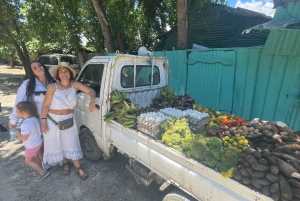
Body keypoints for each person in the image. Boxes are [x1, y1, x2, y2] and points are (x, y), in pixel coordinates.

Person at [41, 62, 96, 180]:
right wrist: (43, 121)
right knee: (58, 142)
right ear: (58, 74)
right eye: (60, 72)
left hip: (68, 119)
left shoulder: (75, 85)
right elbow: (45, 106)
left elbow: (91, 91)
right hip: (52, 119)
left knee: (71, 142)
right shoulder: (52, 87)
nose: (63, 74)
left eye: (65, 71)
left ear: (70, 73)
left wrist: (92, 100)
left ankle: (77, 167)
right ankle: (65, 163)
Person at [8, 61, 57, 170]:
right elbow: (18, 102)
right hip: (37, 117)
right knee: (40, 140)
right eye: (34, 68)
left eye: (40, 65)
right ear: (32, 72)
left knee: (53, 138)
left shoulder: (54, 81)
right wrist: (13, 119)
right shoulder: (27, 84)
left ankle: (56, 157)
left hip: (54, 116)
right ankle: (44, 160)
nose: (38, 68)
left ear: (43, 66)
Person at [13, 101, 50, 182]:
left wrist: (17, 133)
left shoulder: (25, 124)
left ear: (23, 112)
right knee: (35, 157)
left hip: (31, 146)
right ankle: (40, 169)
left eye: (17, 111)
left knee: (28, 161)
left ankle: (42, 172)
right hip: (38, 142)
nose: (16, 112)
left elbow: (24, 138)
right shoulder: (34, 119)